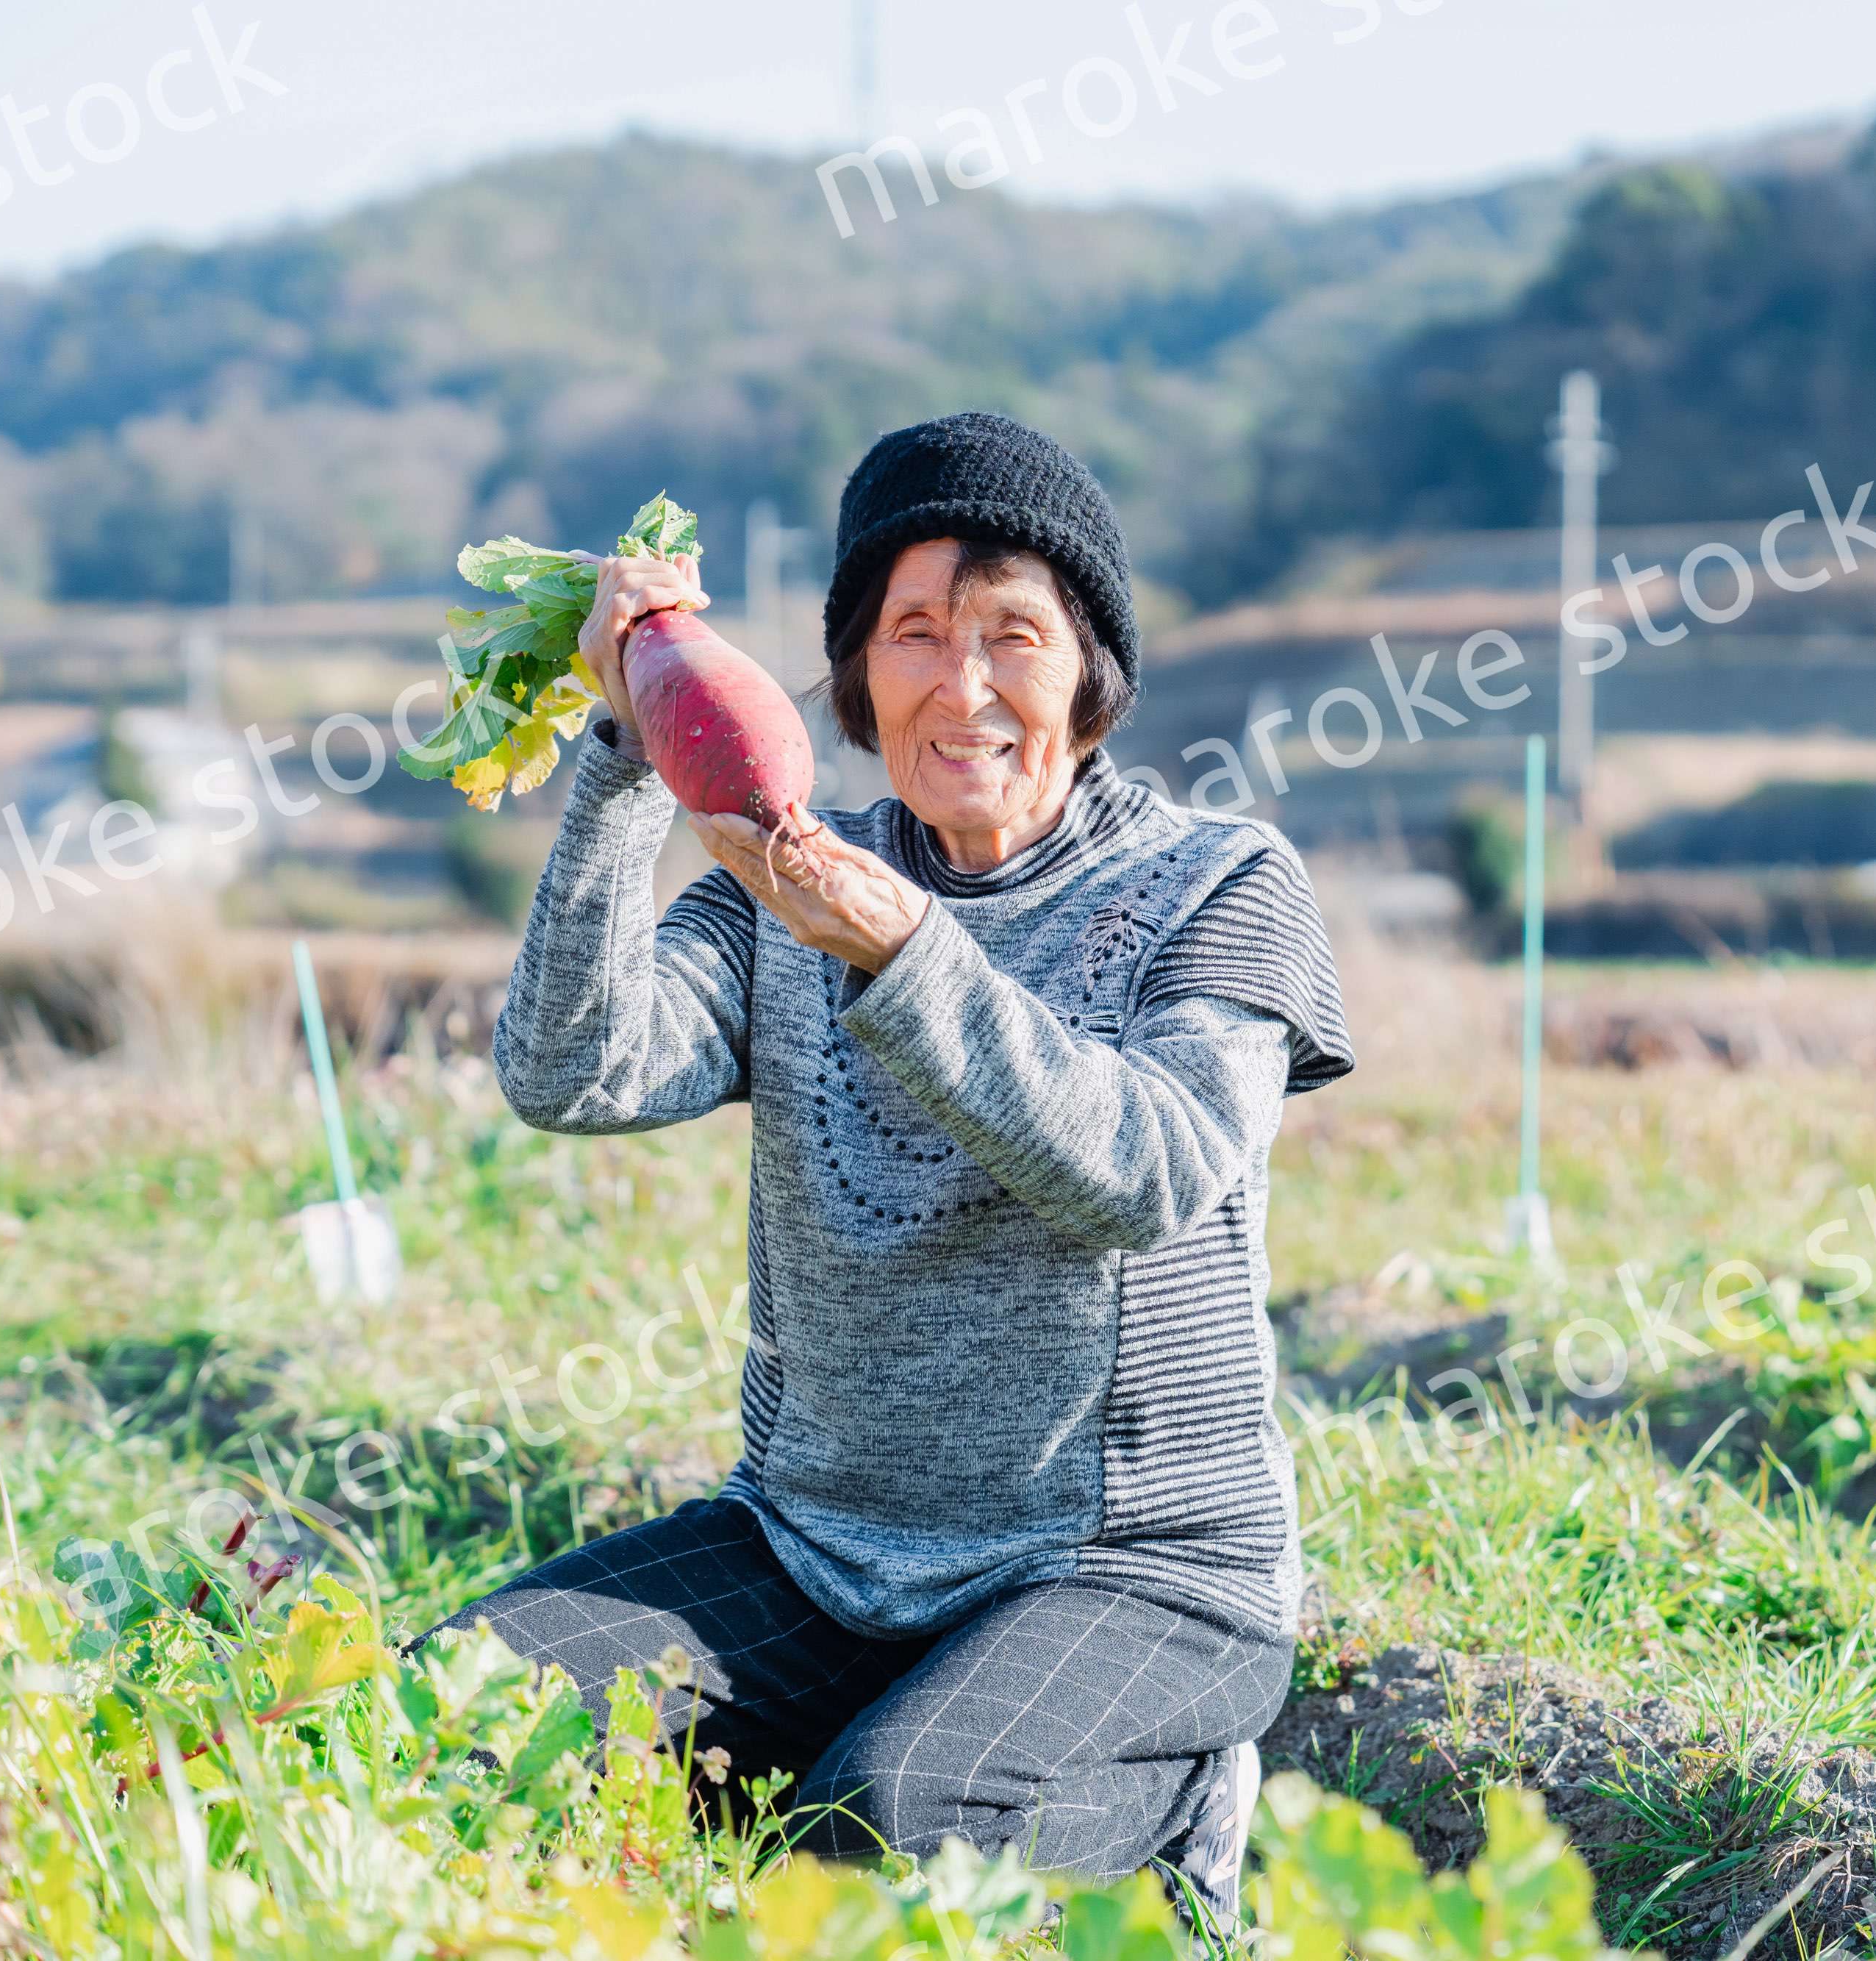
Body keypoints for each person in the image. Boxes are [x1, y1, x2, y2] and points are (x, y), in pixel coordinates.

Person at [421, 412, 1353, 1921]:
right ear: (855, 673)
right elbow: (571, 1069)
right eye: (913, 632)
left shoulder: (1217, 885)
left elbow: (1152, 1167)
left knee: (892, 1825)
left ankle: (1178, 1801)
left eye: (1012, 634)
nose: (961, 683)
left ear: (1091, 672)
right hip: (815, 1551)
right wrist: (622, 749)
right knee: (455, 1717)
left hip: (1135, 1566)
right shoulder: (793, 879)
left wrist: (907, 951)